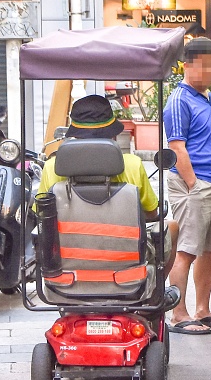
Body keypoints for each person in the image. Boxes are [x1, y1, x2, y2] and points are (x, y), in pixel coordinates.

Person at [36, 95, 178, 272]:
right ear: (113, 133)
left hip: (67, 258)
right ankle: (156, 293)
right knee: (171, 226)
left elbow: (41, 218)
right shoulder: (132, 165)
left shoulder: (51, 167)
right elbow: (151, 213)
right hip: (126, 258)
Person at [164, 37, 211, 335]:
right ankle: (178, 314)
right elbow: (177, 148)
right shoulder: (180, 99)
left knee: (209, 252)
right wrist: (193, 185)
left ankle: (202, 310)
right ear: (188, 65)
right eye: (206, 66)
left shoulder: (210, 98)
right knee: (187, 250)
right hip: (196, 185)